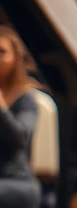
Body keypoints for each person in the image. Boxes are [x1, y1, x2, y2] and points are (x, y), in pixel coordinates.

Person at [0, 27, 39, 208]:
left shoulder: (25, 99)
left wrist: (1, 108)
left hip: (16, 181)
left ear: (16, 60)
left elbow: (21, 138)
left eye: (1, 52)